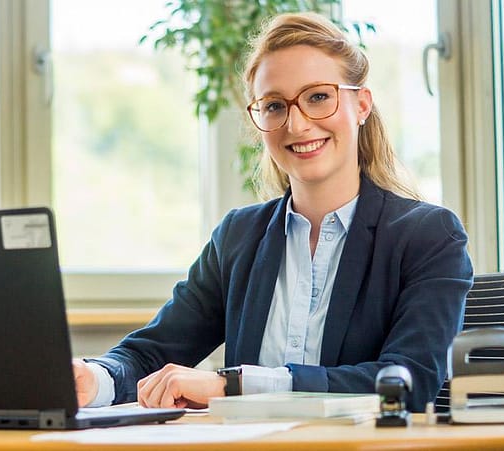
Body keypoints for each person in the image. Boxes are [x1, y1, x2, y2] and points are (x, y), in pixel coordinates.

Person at [72, 12, 473, 413]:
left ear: (362, 104)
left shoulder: (428, 236)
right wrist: (96, 378)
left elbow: (407, 380)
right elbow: (151, 354)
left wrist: (237, 385)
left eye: (318, 97)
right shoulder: (238, 236)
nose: (296, 125)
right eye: (275, 106)